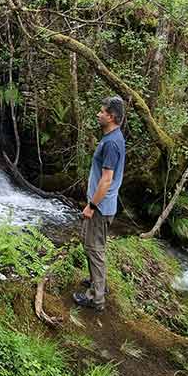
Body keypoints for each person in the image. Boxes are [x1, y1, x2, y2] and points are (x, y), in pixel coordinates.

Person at [73, 96, 126, 312]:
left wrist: (91, 206)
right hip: (103, 204)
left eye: (102, 111)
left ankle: (96, 298)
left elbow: (106, 180)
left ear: (111, 117)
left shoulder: (112, 142)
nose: (98, 114)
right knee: (90, 245)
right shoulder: (112, 137)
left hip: (101, 207)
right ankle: (97, 282)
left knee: (94, 249)